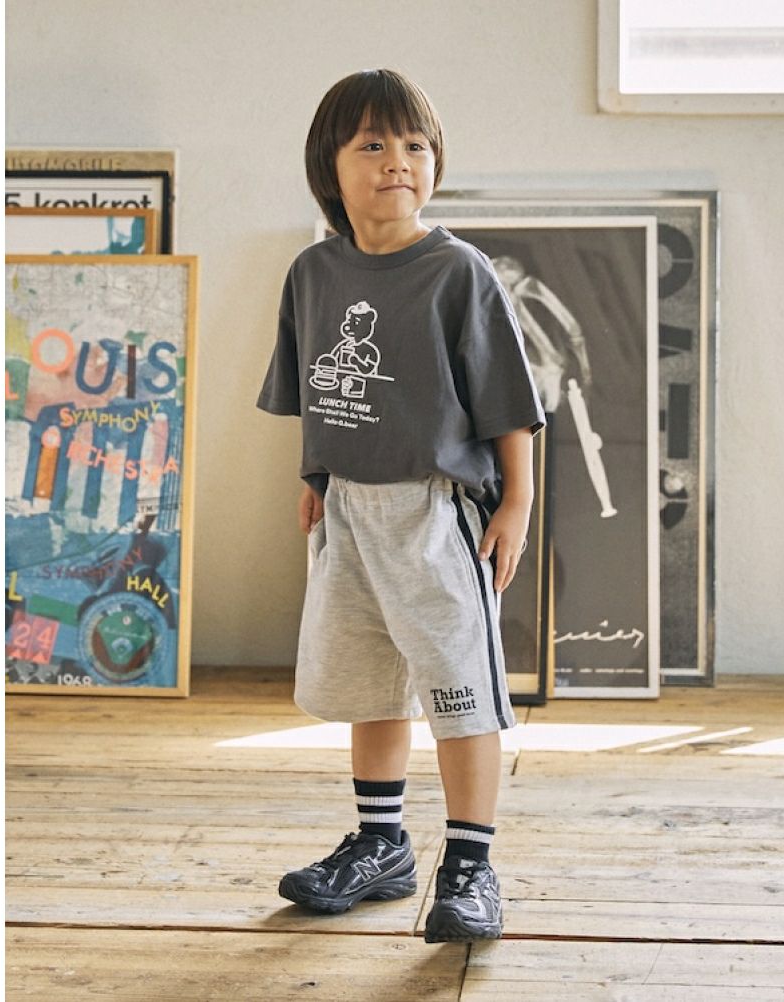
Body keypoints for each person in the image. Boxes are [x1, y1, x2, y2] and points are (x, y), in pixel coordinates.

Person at [256, 68, 545, 943]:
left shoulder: (458, 272)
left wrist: (517, 504)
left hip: (433, 515)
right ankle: (382, 845)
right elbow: (318, 392)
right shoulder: (313, 272)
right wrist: (314, 480)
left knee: (459, 689)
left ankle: (470, 864)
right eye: (373, 145)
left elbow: (509, 405)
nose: (397, 161)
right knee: (369, 684)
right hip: (348, 513)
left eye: (415, 145)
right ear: (329, 166)